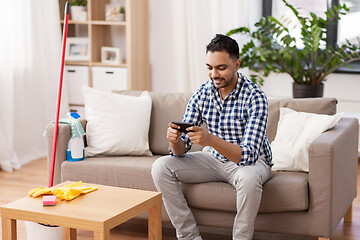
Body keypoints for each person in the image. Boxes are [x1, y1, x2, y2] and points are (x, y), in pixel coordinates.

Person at [151, 34, 273, 240]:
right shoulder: (202, 94)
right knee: (161, 167)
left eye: (221, 68)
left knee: (249, 178)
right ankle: (189, 237)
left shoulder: (255, 97)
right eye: (209, 67)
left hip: (250, 163)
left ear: (236, 64)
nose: (214, 74)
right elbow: (181, 152)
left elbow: (248, 157)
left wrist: (210, 140)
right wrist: (174, 140)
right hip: (214, 159)